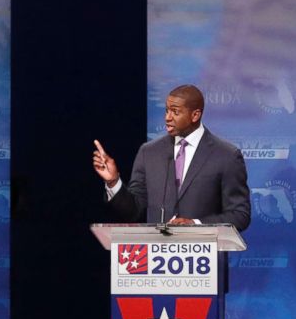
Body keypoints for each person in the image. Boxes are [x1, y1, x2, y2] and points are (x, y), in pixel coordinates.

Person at [92, 84, 250, 231]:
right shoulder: (149, 152)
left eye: (175, 112)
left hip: (203, 256)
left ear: (195, 115)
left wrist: (195, 224)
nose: (167, 117)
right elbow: (134, 211)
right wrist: (113, 182)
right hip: (158, 257)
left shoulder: (226, 155)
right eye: (167, 110)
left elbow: (239, 215)